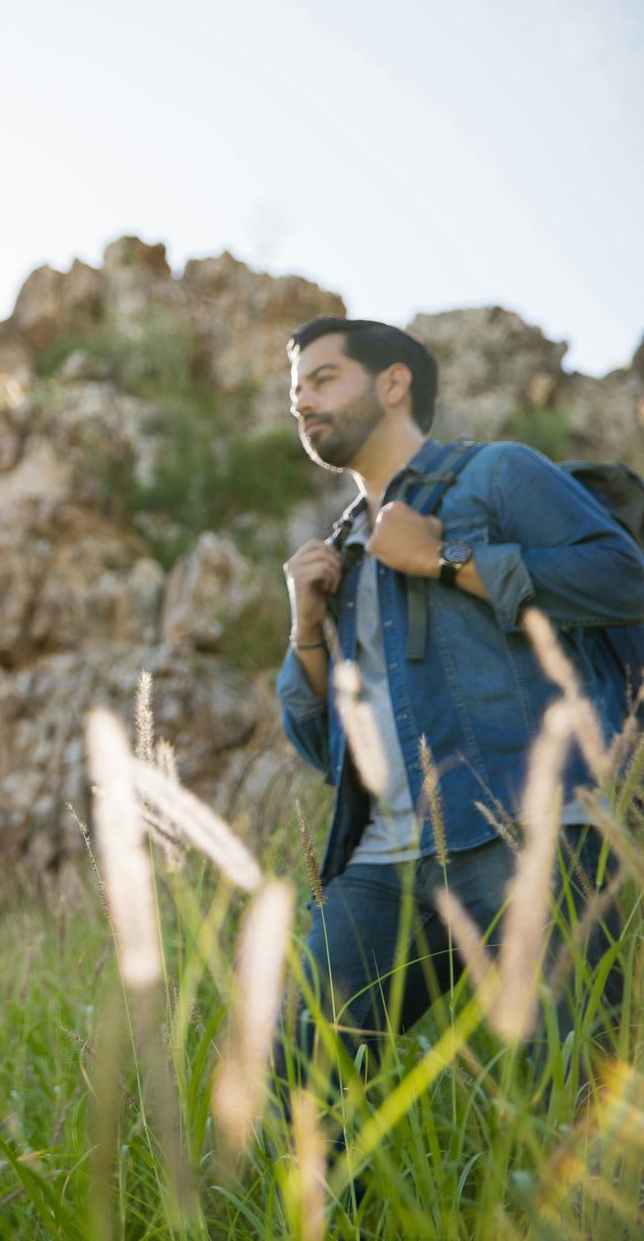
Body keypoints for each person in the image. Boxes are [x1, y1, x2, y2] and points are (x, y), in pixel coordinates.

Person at [277, 316, 644, 1055]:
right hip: (383, 862)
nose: (301, 403)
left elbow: (624, 580)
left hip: (528, 831)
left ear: (392, 384)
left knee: (575, 1083)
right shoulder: (336, 553)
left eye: (322, 379)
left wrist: (446, 561)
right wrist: (306, 624)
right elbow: (326, 751)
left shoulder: (497, 474)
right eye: (294, 392)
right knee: (298, 1082)